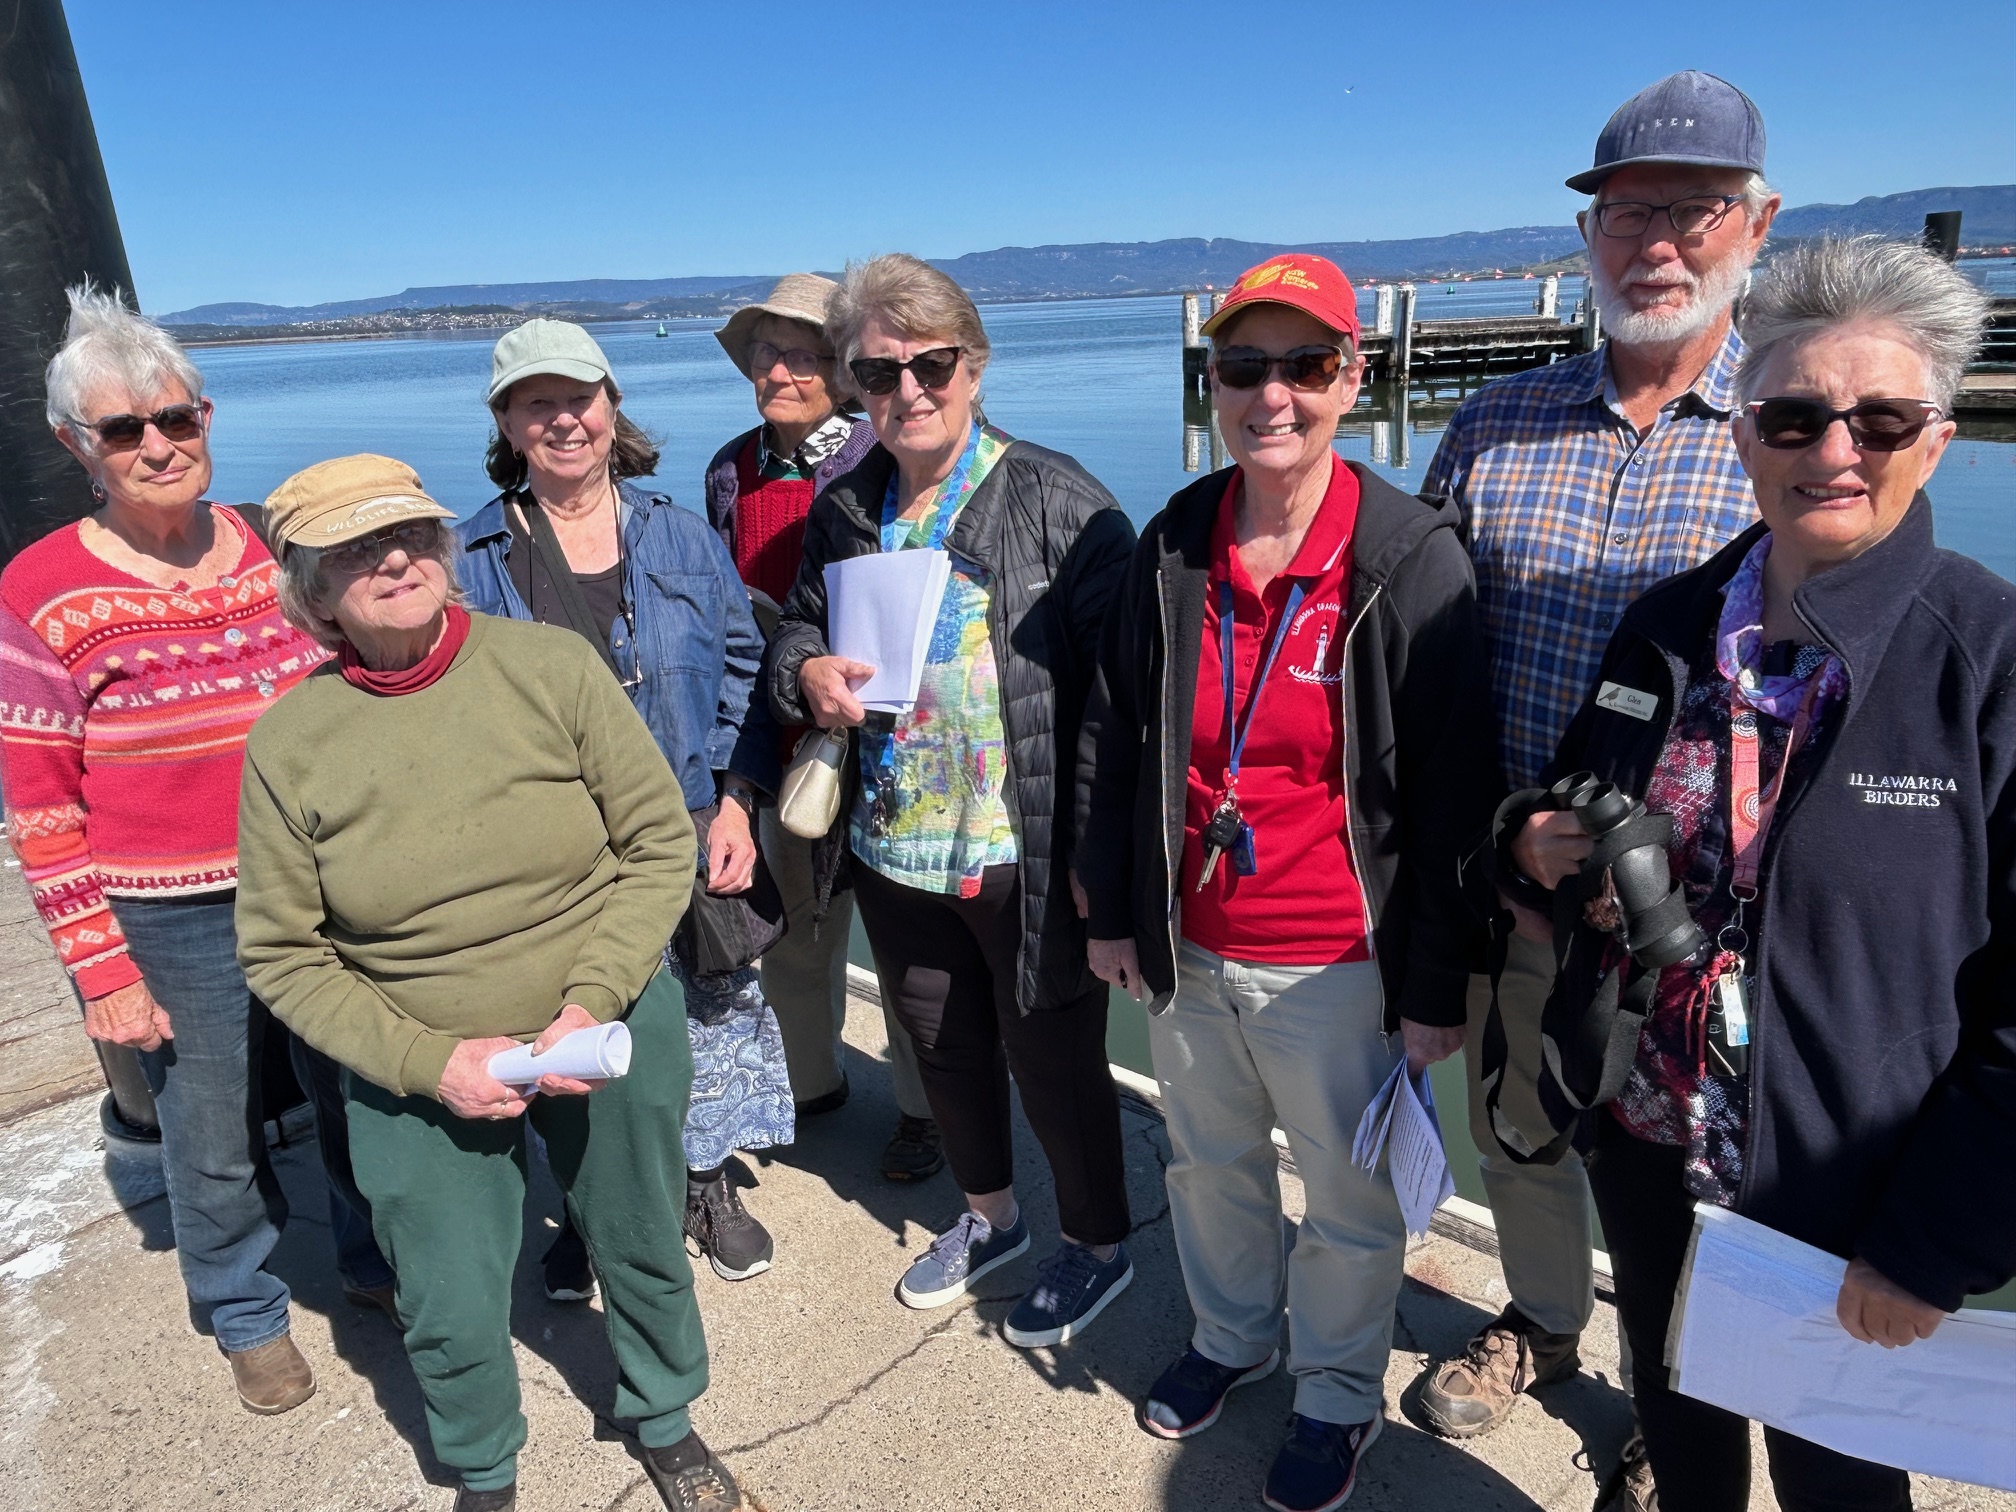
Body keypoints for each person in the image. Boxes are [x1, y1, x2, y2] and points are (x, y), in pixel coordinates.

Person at [1495, 236, 2013, 1512]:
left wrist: (1933, 1243)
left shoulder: (1988, 658)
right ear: (1743, 436)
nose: (1835, 450)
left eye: (1881, 420)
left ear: (1937, 441)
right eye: (1794, 417)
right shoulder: (1668, 624)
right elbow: (1564, 794)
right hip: (1647, 1132)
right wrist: (1530, 844)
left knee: (1837, 1475)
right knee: (1674, 1404)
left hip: (1847, 1185)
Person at [237, 454, 745, 1512]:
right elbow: (282, 952)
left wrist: (593, 998)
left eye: (410, 535)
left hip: (599, 1011)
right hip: (415, 1045)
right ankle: (482, 1466)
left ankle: (665, 1415)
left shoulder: (550, 666)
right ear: (313, 592)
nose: (393, 560)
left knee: (641, 1234)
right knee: (445, 1287)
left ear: (443, 550)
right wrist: (428, 1063)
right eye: (355, 550)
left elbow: (658, 842)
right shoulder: (289, 741)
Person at [1077, 254, 1497, 1512]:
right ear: (1212, 382)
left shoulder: (1409, 557)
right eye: (1244, 366)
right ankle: (1232, 1336)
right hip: (1188, 938)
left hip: (1338, 959)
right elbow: (1113, 734)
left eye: (1307, 366)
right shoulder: (1175, 539)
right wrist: (1113, 911)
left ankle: (1337, 1395)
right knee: (1208, 1165)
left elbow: (1453, 793)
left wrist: (1436, 984)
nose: (1275, 395)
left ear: (1354, 378)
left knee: (1351, 1204)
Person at [1417, 72, 1779, 1496]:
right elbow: (1430, 658)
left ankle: (1675, 1406)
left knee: (1692, 1186)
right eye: (1628, 212)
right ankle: (1543, 1321)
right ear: (1589, 234)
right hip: (1515, 887)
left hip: (1701, 930)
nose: (1658, 242)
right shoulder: (1489, 422)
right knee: (1519, 1133)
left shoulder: (1793, 429)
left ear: (1756, 225)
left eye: (1694, 209)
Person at [0, 286, 392, 1418]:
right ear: (77, 446)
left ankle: (373, 1257)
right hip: (167, 911)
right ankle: (243, 1307)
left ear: (206, 418)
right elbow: (41, 807)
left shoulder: (272, 544)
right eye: (125, 430)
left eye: (177, 418)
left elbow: (359, 684)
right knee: (209, 1121)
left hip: (315, 881)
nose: (159, 446)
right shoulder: (39, 590)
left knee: (356, 1086)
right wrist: (103, 973)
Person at [766, 253, 1139, 1347]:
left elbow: (1124, 703)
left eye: (930, 364)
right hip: (892, 848)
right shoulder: (847, 506)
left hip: (1022, 851)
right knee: (943, 1049)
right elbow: (796, 623)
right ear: (854, 385)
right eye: (879, 372)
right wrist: (805, 670)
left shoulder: (1059, 500)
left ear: (973, 366)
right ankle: (991, 1218)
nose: (908, 390)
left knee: (1055, 1060)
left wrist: (1100, 859)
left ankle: (1098, 1245)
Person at [459, 320, 792, 1286]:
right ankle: (591, 1210)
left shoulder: (680, 536)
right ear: (506, 422)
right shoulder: (468, 558)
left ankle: (705, 1182)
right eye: (538, 404)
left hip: (686, 823)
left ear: (612, 406)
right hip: (552, 851)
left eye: (581, 399)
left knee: (707, 1017)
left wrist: (736, 803)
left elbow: (745, 670)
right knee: (572, 1025)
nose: (565, 421)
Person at [702, 274, 943, 1182]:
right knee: (794, 932)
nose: (779, 371)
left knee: (908, 945)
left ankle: (926, 1110)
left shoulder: (884, 455)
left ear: (842, 372)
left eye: (803, 355)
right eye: (766, 352)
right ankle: (811, 1084)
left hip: (883, 736)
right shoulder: (731, 468)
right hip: (777, 734)